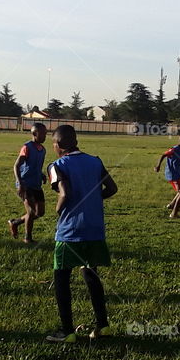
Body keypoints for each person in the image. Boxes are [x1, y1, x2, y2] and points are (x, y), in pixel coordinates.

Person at [45, 125, 118, 342]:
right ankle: (103, 325)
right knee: (90, 273)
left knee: (61, 276)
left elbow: (64, 193)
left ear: (58, 145)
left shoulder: (56, 165)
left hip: (70, 231)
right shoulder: (96, 161)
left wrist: (59, 208)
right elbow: (112, 188)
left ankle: (66, 331)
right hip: (95, 228)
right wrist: (93, 201)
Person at [8, 123, 47, 244]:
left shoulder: (42, 150)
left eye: (46, 133)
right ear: (35, 134)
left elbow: (35, 166)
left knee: (40, 213)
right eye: (43, 133)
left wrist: (41, 174)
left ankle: (15, 223)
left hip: (36, 184)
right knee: (31, 212)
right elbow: (16, 166)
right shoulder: (27, 147)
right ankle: (27, 238)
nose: (45, 135)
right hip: (25, 184)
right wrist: (20, 184)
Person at [154, 133, 180, 218]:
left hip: (179, 173)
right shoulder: (174, 149)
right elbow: (163, 155)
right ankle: (173, 214)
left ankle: (172, 205)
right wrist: (158, 166)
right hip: (173, 175)